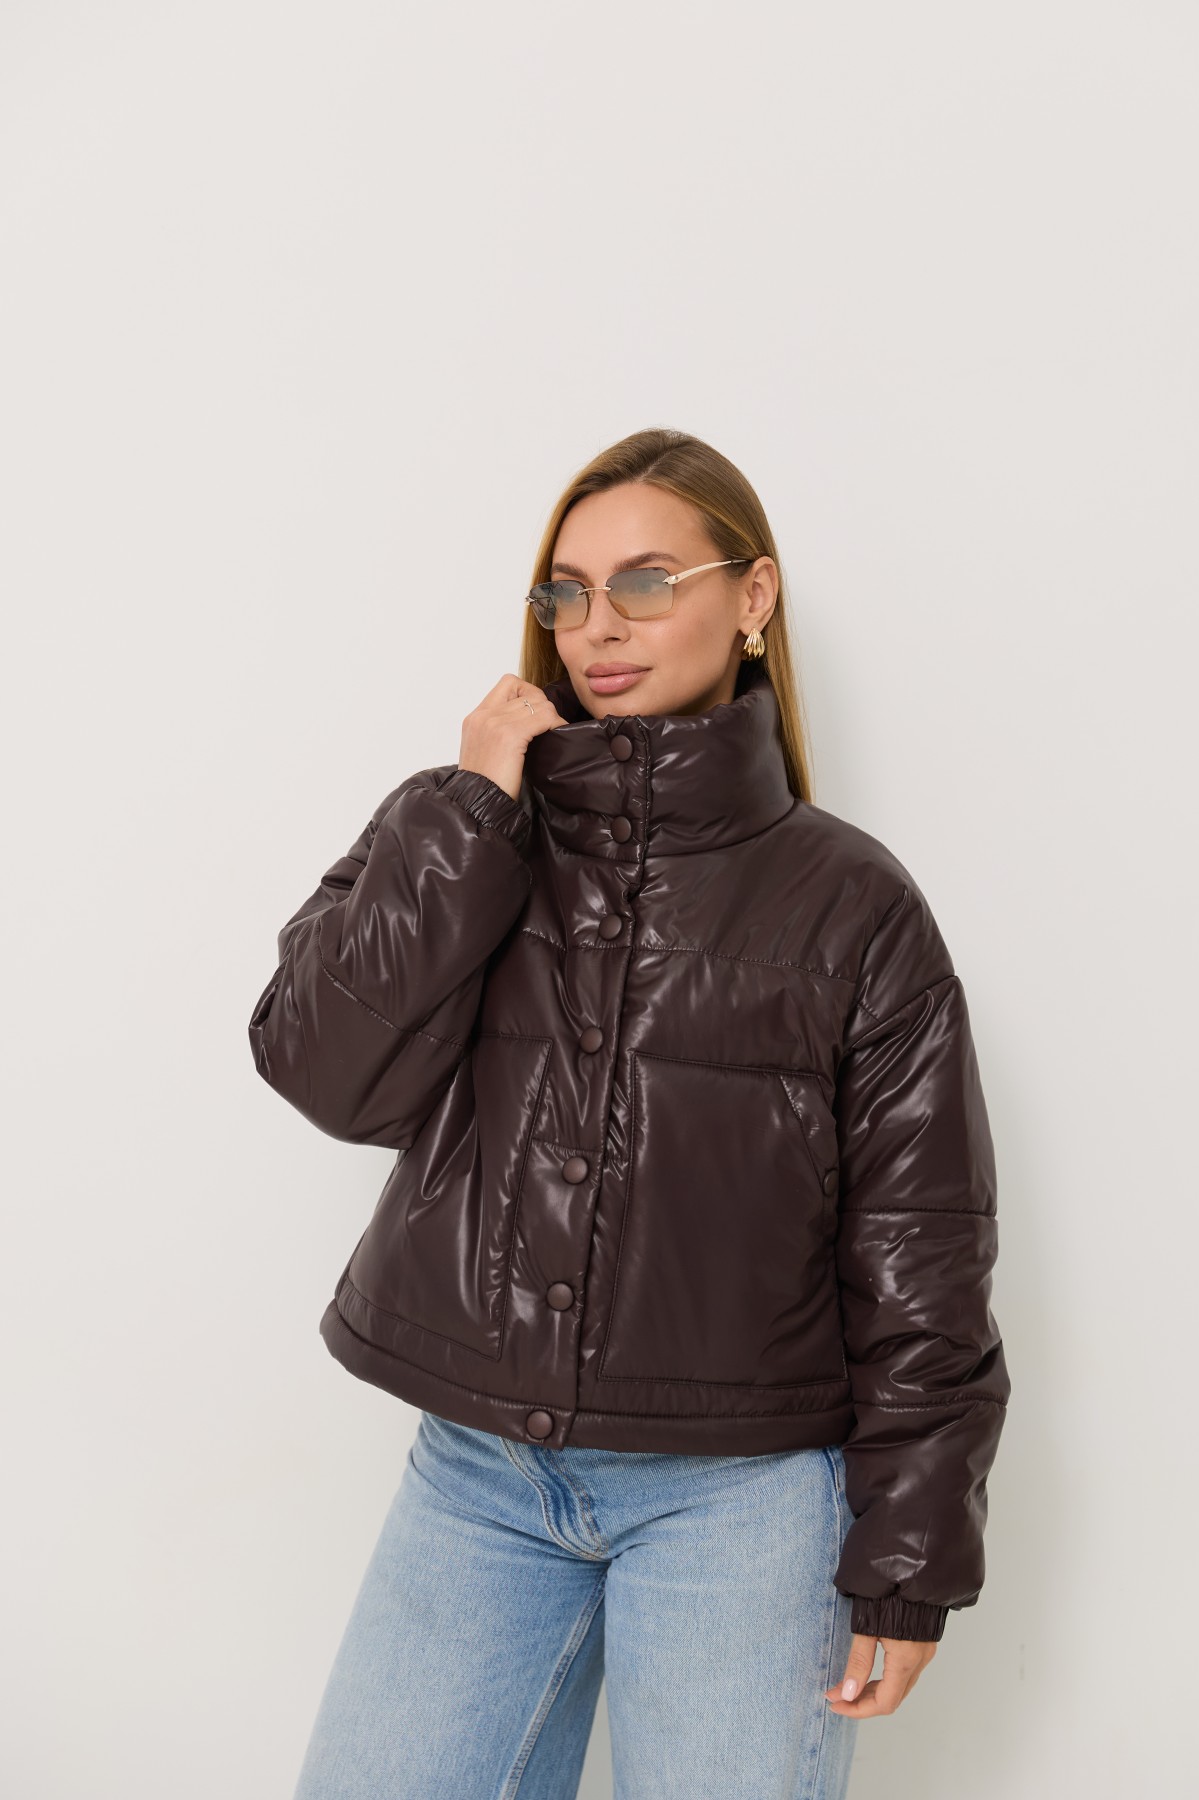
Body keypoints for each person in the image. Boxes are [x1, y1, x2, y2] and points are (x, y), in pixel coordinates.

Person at [248, 427, 1010, 1800]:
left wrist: (910, 1556)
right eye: (567, 592)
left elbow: (920, 1248)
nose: (597, 627)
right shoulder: (466, 831)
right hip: (478, 1476)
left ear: (753, 596)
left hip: (744, 1502)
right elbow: (323, 1069)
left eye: (647, 582)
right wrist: (471, 807)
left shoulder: (854, 906)